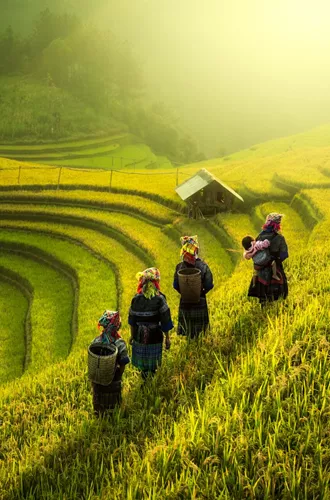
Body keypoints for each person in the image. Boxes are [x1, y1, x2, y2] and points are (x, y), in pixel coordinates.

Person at [128, 267, 173, 380]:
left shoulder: (136, 299)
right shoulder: (160, 299)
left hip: (139, 335)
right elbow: (165, 320)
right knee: (153, 366)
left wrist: (132, 336)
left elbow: (132, 321)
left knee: (143, 366)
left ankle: (144, 381)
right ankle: (150, 384)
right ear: (156, 282)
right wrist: (167, 338)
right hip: (154, 335)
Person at [173, 235, 214, 339]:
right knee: (199, 331)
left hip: (185, 301)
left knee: (188, 328)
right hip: (199, 300)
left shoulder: (179, 267)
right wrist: (201, 292)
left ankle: (190, 343)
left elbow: (175, 285)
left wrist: (185, 292)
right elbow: (209, 284)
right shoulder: (203, 266)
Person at [91, 310, 130, 416]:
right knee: (113, 403)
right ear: (117, 327)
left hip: (98, 378)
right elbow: (123, 362)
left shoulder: (96, 341)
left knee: (98, 402)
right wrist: (119, 375)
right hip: (113, 378)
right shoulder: (119, 343)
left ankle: (99, 415)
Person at [247, 213, 289, 305]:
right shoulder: (280, 238)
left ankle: (263, 307)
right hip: (275, 266)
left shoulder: (260, 236)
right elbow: (284, 254)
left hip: (261, 267)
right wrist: (276, 260)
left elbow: (254, 250)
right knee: (278, 293)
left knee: (262, 292)